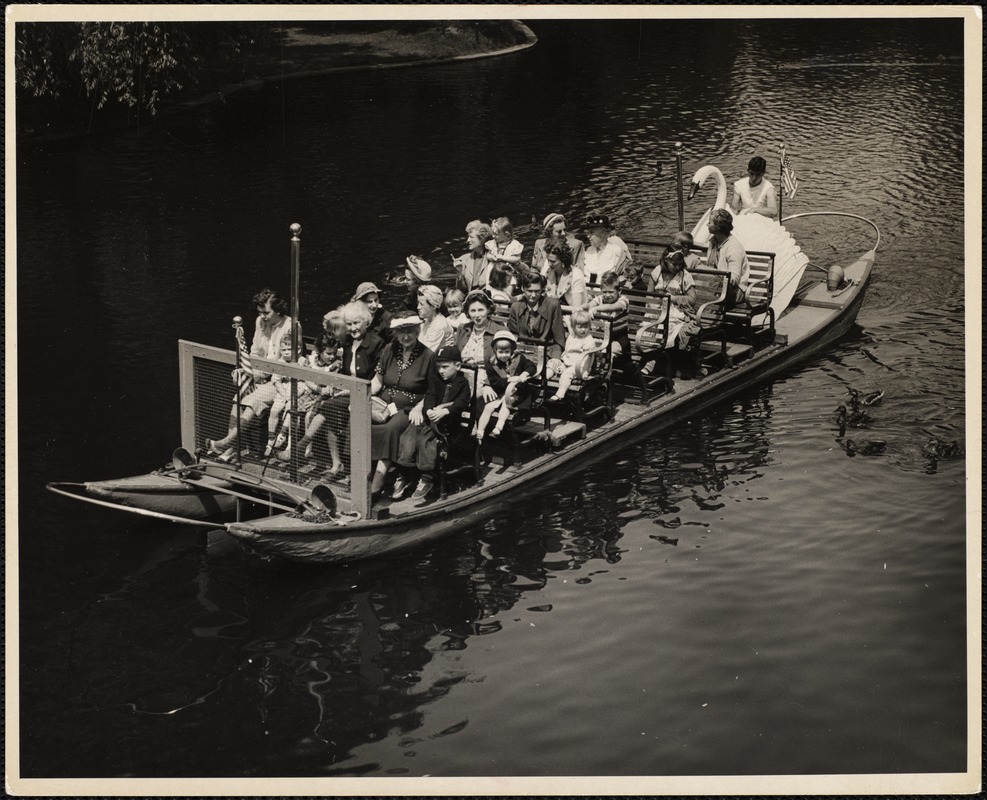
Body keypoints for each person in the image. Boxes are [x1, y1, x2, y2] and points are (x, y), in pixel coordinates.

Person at [283, 301, 384, 475]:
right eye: (349, 324)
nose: (352, 328)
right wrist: (335, 386)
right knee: (327, 410)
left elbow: (374, 380)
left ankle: (302, 446)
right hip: (346, 392)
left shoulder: (376, 344)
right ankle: (335, 463)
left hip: (365, 393)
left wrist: (346, 390)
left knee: (327, 407)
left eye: (356, 323)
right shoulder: (346, 343)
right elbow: (344, 372)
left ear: (366, 322)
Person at [207, 289, 299, 457]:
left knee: (252, 401)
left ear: (278, 309)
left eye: (266, 312)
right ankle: (231, 448)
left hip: (280, 381)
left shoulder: (291, 326)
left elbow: (286, 362)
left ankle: (225, 443)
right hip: (260, 374)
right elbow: (255, 351)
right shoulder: (260, 322)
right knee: (238, 398)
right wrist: (246, 370)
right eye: (259, 312)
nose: (262, 316)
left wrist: (260, 374)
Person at [369, 310, 443, 498]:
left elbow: (433, 391)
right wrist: (363, 397)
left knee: (390, 429)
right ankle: (362, 474)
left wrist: (420, 407)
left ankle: (377, 483)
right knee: (360, 421)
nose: (405, 336)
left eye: (410, 330)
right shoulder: (389, 349)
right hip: (383, 403)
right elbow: (377, 381)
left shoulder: (428, 356)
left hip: (409, 408)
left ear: (417, 330)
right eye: (401, 331)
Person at [392, 344, 473, 501]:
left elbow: (463, 402)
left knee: (426, 441)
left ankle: (426, 478)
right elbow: (429, 396)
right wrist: (428, 410)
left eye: (445, 367)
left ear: (457, 366)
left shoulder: (462, 383)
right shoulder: (437, 380)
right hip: (430, 419)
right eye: (439, 367)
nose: (441, 370)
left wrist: (446, 411)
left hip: (447, 425)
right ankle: (404, 474)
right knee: (408, 436)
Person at [474, 330, 536, 442]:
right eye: (500, 352)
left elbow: (531, 366)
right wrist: (508, 379)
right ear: (495, 351)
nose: (504, 355)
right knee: (488, 407)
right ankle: (480, 431)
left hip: (518, 392)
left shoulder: (519, 359)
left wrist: (524, 373)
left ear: (512, 350)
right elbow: (494, 381)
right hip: (501, 391)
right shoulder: (492, 364)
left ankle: (499, 427)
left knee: (506, 404)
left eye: (507, 352)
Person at [508, 270, 566, 377]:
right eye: (529, 291)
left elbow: (559, 339)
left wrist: (554, 359)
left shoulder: (552, 306)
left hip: (546, 354)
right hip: (523, 354)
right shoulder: (516, 307)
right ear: (522, 289)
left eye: (537, 291)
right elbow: (513, 336)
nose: (533, 295)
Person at [647, 247, 699, 348]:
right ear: (666, 260)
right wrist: (652, 307)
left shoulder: (684, 276)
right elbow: (649, 294)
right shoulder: (657, 272)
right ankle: (650, 352)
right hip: (656, 309)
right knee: (648, 327)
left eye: (680, 264)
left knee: (667, 328)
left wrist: (674, 298)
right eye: (674, 264)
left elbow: (692, 299)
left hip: (675, 311)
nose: (677, 267)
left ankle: (661, 354)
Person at [454, 289, 500, 403]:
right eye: (473, 311)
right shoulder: (463, 329)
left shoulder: (499, 331)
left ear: (488, 309)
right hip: (461, 376)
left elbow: (503, 363)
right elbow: (454, 354)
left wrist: (488, 384)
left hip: (486, 379)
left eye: (481, 310)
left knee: (471, 397)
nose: (477, 315)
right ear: (468, 312)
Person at [548, 309, 601, 401]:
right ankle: (542, 380)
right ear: (574, 327)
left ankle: (560, 394)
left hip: (579, 366)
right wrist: (567, 320)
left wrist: (585, 371)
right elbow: (570, 327)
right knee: (552, 363)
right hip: (567, 362)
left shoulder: (588, 340)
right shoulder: (573, 334)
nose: (583, 330)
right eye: (580, 327)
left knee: (566, 374)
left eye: (586, 327)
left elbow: (589, 357)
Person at [580, 269, 631, 363]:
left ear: (619, 290)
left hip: (619, 339)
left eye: (611, 292)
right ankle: (588, 369)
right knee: (588, 346)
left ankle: (606, 375)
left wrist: (596, 309)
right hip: (602, 336)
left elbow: (612, 307)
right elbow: (590, 305)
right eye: (604, 292)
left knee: (607, 351)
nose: (607, 295)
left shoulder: (623, 300)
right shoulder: (599, 299)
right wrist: (582, 308)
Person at [705, 208, 750, 309]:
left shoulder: (734, 247)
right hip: (716, 288)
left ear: (718, 226)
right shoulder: (713, 242)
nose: (707, 225)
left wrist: (711, 274)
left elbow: (734, 279)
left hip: (734, 291)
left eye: (709, 222)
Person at [582, 211, 632, 285]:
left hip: (606, 292)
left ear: (603, 233)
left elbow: (625, 273)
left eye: (591, 233)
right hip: (586, 291)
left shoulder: (616, 251)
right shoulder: (588, 251)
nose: (588, 236)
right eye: (588, 233)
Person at [541, 239, 587, 310]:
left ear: (563, 261)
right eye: (548, 260)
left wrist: (552, 306)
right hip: (551, 311)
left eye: (553, 261)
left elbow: (577, 308)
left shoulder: (576, 275)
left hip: (573, 315)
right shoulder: (547, 270)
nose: (549, 264)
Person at [453, 220, 494, 295]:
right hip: (470, 301)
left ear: (482, 239)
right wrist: (459, 272)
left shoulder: (492, 257)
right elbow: (461, 291)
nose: (467, 240)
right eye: (468, 237)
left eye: (471, 237)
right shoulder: (463, 259)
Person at [417, 284, 456, 353]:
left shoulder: (439, 325)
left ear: (434, 306)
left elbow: (426, 353)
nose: (418, 307)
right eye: (418, 303)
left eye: (421, 304)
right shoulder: (426, 321)